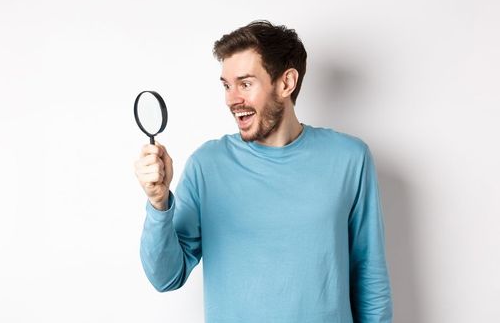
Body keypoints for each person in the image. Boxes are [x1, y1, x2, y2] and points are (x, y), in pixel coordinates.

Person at [134, 20, 393, 322]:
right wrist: (158, 203)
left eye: (245, 84)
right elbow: (165, 276)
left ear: (286, 83)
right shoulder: (207, 165)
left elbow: (369, 275)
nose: (232, 99)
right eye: (227, 85)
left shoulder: (350, 158)